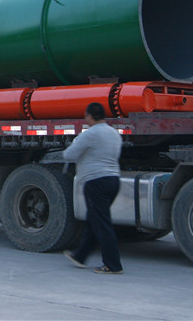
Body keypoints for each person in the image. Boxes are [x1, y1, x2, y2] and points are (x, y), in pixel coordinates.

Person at [62, 102, 124, 274]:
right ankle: (79, 256)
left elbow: (69, 155)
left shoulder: (90, 134)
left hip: (96, 181)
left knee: (101, 223)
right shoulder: (114, 133)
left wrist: (75, 142)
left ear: (89, 116)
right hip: (113, 180)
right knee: (93, 219)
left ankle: (113, 265)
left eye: (86, 116)